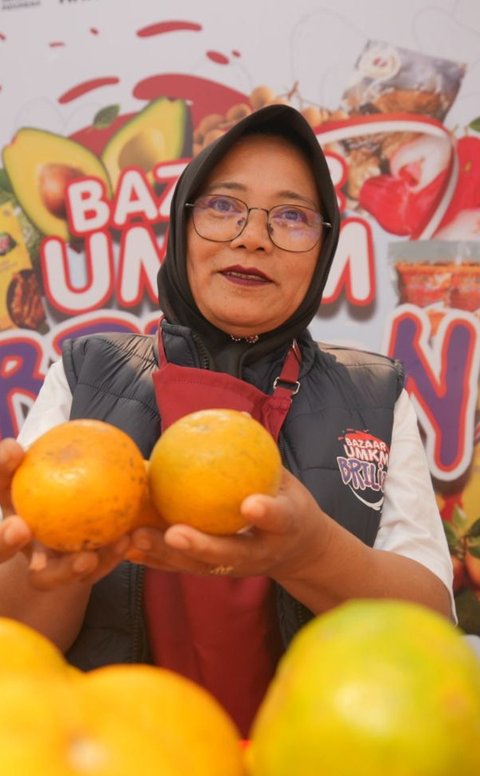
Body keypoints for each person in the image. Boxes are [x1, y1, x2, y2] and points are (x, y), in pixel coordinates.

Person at [0, 104, 453, 736]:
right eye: (222, 207)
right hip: (113, 770)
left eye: (292, 216)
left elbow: (431, 630)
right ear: (181, 224)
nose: (253, 237)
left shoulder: (375, 394)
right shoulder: (84, 375)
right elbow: (17, 647)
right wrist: (53, 556)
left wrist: (314, 552)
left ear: (325, 249)